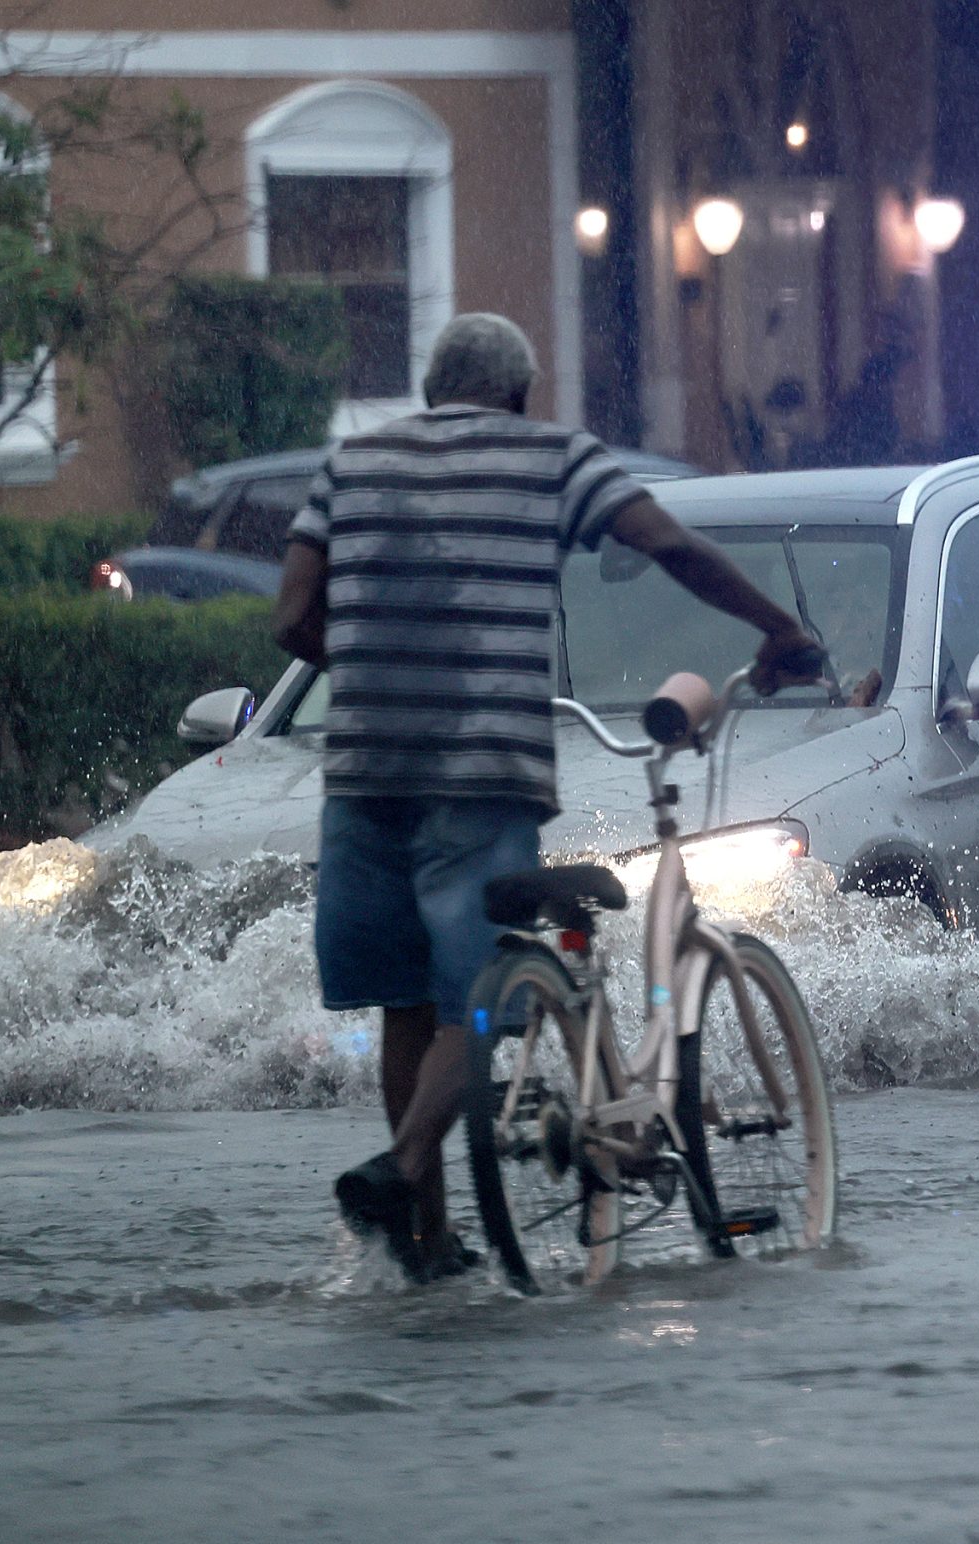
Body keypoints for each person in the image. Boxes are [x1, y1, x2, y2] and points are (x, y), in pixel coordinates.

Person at [273, 312, 820, 1281]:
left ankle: (429, 1238)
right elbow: (670, 545)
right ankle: (402, 1169)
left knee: (407, 1003)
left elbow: (292, 618)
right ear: (519, 396)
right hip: (481, 768)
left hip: (363, 767)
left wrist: (377, 669)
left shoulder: (350, 465)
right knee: (477, 994)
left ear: (432, 388)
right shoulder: (551, 457)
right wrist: (778, 628)